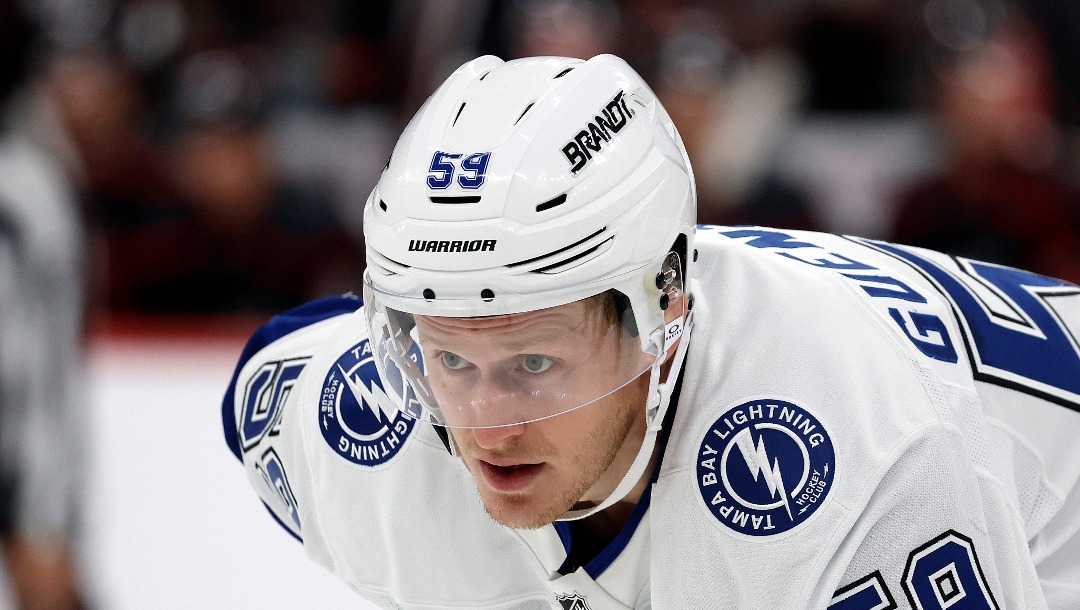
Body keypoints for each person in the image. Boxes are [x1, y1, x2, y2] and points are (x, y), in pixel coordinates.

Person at [223, 54, 1080, 609]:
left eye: (532, 360)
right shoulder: (366, 437)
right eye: (449, 357)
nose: (488, 422)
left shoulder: (860, 470)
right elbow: (269, 384)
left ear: (662, 313)